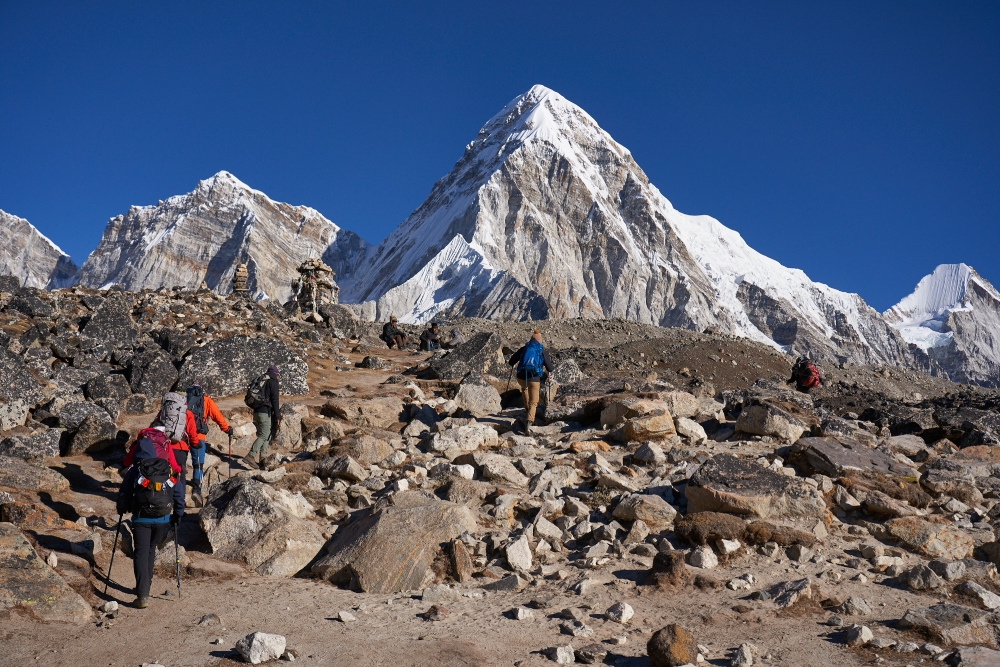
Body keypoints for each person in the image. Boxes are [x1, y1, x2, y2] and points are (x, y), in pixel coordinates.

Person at [116, 425, 184, 609]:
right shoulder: (167, 469)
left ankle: (142, 594)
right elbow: (178, 492)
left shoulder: (136, 470)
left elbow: (124, 493)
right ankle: (146, 584)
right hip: (163, 518)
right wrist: (178, 515)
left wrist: (121, 509)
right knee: (151, 548)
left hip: (141, 518)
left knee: (140, 552)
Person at [185, 382, 233, 506]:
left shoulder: (185, 399)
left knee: (180, 465)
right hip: (198, 435)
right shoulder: (206, 400)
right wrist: (226, 429)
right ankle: (196, 490)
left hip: (183, 436)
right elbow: (217, 416)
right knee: (198, 464)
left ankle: (176, 493)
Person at [507, 330, 554, 427]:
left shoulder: (524, 348)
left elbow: (511, 361)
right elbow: (550, 368)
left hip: (521, 376)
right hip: (534, 377)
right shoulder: (541, 350)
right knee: (534, 401)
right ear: (540, 340)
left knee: (524, 388)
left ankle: (527, 409)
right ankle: (529, 421)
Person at [243, 366, 280, 469]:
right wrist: (277, 416)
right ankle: (251, 455)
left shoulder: (261, 380)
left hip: (257, 412)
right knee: (264, 435)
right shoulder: (273, 382)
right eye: (278, 375)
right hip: (265, 412)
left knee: (266, 435)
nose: (279, 378)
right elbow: (275, 400)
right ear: (276, 374)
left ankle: (263, 459)